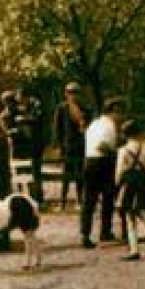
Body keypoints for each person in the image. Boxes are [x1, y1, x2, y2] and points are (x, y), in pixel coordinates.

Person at [114, 119, 145, 261]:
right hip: (143, 182)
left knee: (129, 215)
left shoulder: (123, 150)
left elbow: (119, 171)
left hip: (129, 184)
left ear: (124, 135)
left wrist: (117, 183)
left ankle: (134, 249)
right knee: (140, 209)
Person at [80, 99, 121, 248]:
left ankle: (85, 233)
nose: (120, 116)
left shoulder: (94, 124)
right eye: (119, 112)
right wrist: (116, 152)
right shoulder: (109, 125)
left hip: (89, 161)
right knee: (108, 197)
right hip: (103, 162)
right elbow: (102, 145)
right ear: (112, 111)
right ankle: (105, 230)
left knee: (89, 199)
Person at [55, 83, 87, 211]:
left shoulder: (84, 108)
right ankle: (62, 202)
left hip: (81, 146)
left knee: (80, 174)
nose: (73, 95)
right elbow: (58, 128)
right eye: (70, 92)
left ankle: (79, 200)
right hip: (67, 146)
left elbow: (88, 126)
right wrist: (59, 145)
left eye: (75, 93)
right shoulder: (62, 108)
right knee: (66, 175)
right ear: (66, 94)